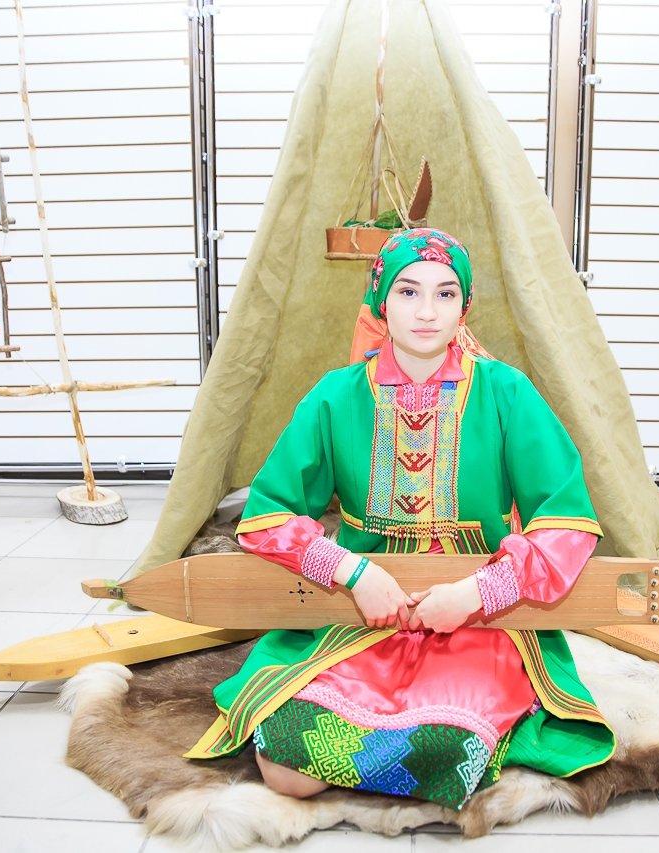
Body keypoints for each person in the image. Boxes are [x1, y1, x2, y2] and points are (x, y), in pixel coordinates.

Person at [185, 228, 616, 811]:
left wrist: (478, 593)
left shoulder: (507, 392)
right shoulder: (335, 396)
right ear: (381, 301)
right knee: (286, 769)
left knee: (446, 752)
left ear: (465, 306)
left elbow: (568, 522)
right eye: (408, 291)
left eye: (445, 294)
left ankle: (436, 736)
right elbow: (267, 515)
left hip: (474, 620)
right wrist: (352, 573)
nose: (426, 312)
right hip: (359, 615)